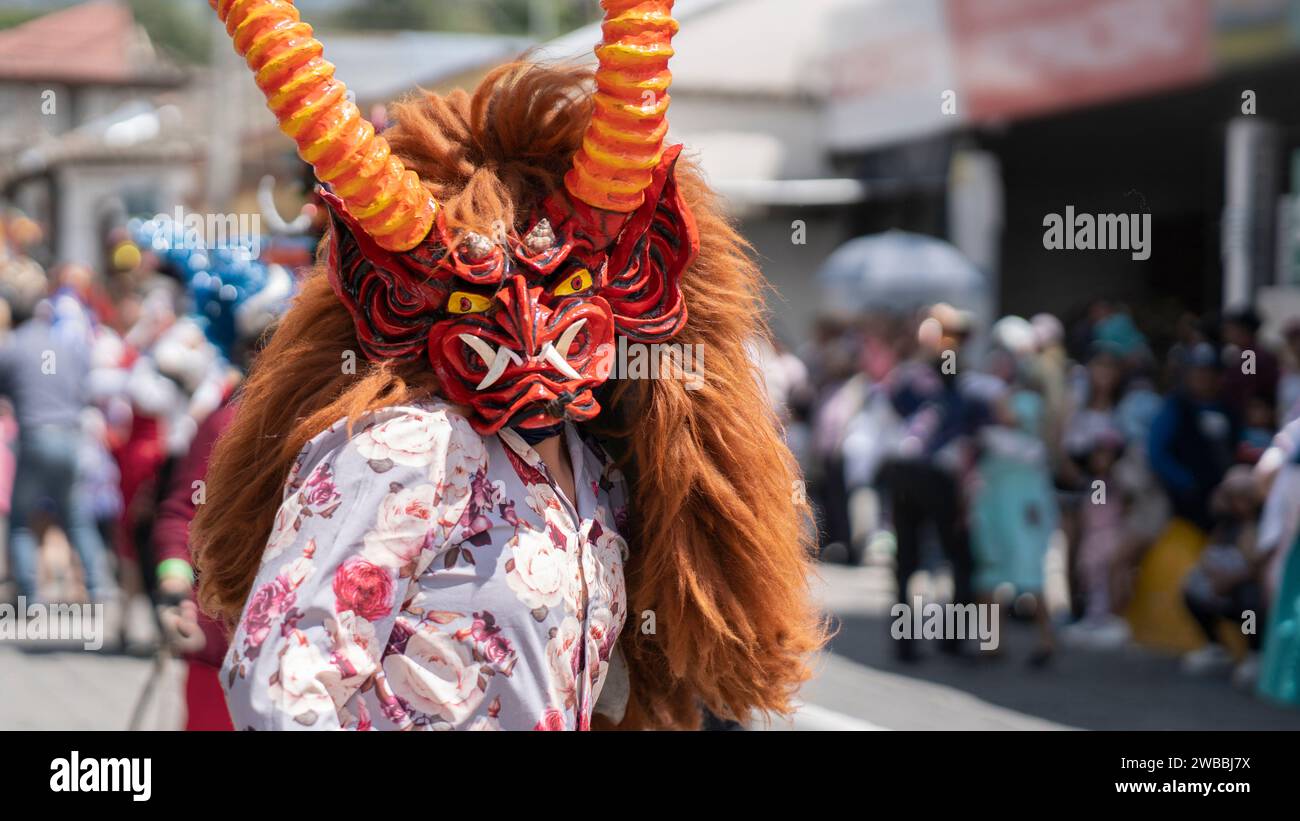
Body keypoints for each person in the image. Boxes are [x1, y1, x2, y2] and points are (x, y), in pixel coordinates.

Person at [191, 0, 823, 731]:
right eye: (480, 295)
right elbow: (276, 687)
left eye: (567, 288)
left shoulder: (597, 477)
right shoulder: (406, 449)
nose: (529, 327)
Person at [0, 297, 116, 605]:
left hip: (35, 438)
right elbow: (84, 388)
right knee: (77, 518)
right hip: (70, 438)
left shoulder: (11, 348)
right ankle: (96, 586)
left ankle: (29, 594)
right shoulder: (68, 347)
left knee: (22, 521)